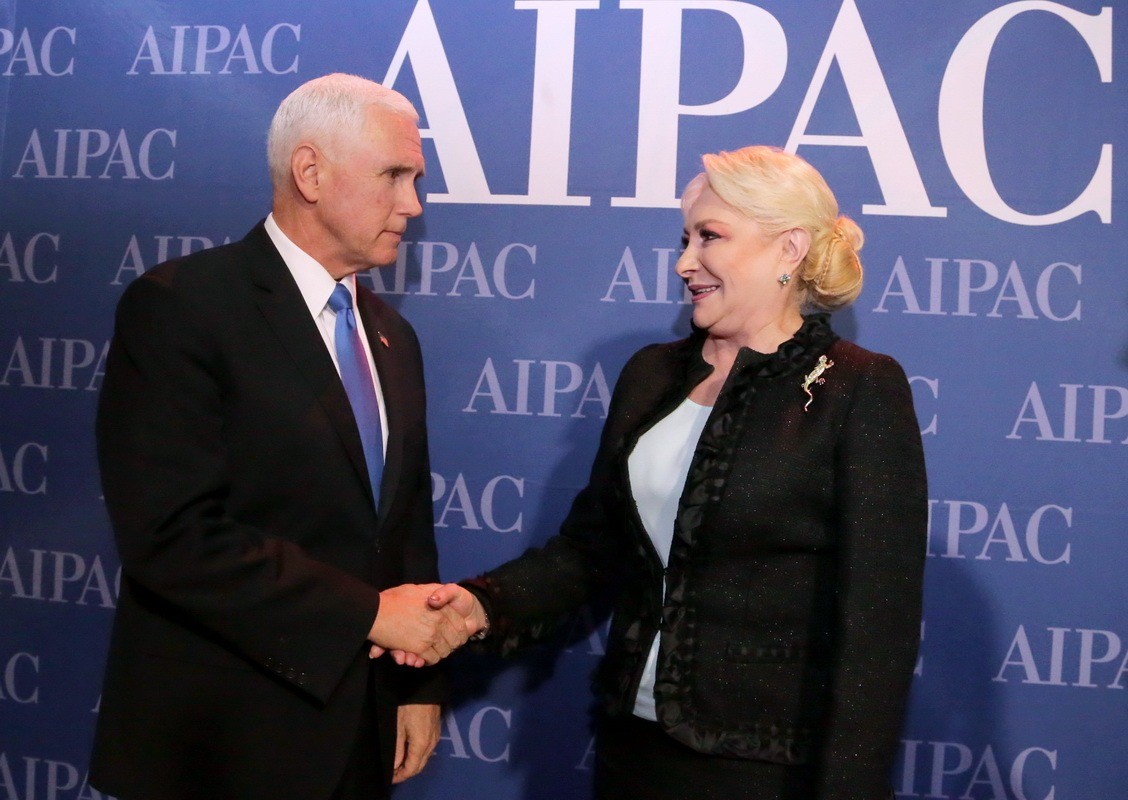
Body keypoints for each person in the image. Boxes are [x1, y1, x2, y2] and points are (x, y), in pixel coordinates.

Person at [424, 145, 928, 799]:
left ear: (789, 248)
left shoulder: (858, 389)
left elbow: (877, 628)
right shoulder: (652, 373)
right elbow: (592, 549)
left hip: (764, 771)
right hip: (632, 751)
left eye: (709, 237)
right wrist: (479, 605)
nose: (684, 263)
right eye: (685, 240)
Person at [91, 73, 473, 800]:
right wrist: (370, 616)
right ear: (310, 173)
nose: (413, 205)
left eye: (416, 181)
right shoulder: (183, 307)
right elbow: (171, 535)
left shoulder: (393, 336)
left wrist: (418, 683)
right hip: (220, 740)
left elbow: (403, 528)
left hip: (358, 733)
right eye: (394, 176)